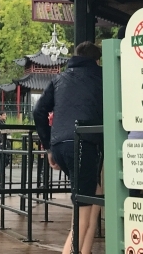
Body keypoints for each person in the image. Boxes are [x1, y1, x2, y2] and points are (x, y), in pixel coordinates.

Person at [33, 41, 103, 254]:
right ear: (97, 60)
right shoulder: (100, 77)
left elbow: (38, 111)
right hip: (83, 145)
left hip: (61, 146)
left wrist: (49, 147)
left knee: (92, 197)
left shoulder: (59, 78)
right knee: (82, 214)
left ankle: (85, 250)